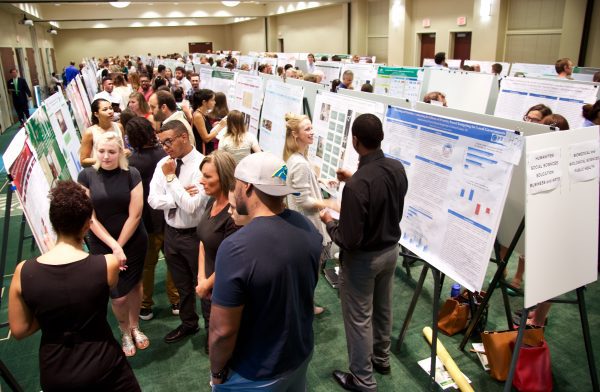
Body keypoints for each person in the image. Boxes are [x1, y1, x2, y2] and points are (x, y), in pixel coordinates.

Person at [8, 181, 141, 391]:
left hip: (56, 370)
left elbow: (20, 329)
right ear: (87, 225)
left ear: (53, 222)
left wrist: (50, 313)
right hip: (105, 365)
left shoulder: (23, 271)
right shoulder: (107, 264)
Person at [209, 152, 322, 389]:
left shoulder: (235, 248)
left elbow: (222, 331)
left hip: (256, 373)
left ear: (247, 186)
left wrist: (217, 373)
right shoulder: (307, 228)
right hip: (300, 355)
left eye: (237, 184)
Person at [320, 114, 408, 391]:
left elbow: (349, 239)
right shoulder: (396, 168)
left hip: (363, 261)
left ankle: (362, 379)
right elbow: (382, 198)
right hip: (391, 252)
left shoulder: (358, 185)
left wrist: (329, 221)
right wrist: (355, 179)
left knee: (359, 319)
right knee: (383, 308)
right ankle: (381, 358)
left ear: (355, 141)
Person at [78, 132, 149, 357]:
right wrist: (114, 247)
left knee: (135, 286)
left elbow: (135, 215)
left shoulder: (132, 174)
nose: (106, 156)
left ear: (120, 152)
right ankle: (124, 330)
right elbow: (90, 218)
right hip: (102, 244)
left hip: (134, 240)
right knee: (117, 295)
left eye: (111, 151)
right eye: (101, 151)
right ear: (94, 152)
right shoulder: (86, 176)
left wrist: (120, 245)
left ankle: (135, 326)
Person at [148, 120, 209, 344]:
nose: (165, 147)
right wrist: (179, 194)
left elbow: (192, 206)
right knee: (182, 285)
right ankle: (189, 324)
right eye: (161, 143)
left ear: (184, 136)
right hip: (171, 233)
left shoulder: (202, 164)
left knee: (202, 287)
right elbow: (153, 200)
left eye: (168, 141)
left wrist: (172, 180)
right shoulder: (164, 163)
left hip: (196, 235)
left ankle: (211, 332)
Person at [283, 113, 339, 314]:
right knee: (308, 273)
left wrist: (319, 181)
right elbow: (304, 201)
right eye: (307, 129)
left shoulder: (295, 159)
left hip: (299, 227)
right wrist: (329, 203)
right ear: (295, 134)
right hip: (307, 227)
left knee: (306, 271)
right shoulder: (299, 163)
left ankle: (303, 304)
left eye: (311, 127)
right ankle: (304, 307)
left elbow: (291, 182)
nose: (312, 132)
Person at [126, 117, 180, 321]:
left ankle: (145, 306)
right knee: (173, 261)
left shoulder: (132, 162)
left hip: (146, 222)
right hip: (169, 215)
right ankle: (176, 301)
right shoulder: (166, 156)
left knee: (147, 266)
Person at [195, 151, 238, 354]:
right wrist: (201, 277)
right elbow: (203, 241)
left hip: (224, 288)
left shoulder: (233, 214)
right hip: (208, 286)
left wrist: (207, 283)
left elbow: (233, 261)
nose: (201, 181)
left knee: (224, 341)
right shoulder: (212, 202)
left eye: (207, 176)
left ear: (224, 177)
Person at [79, 98, 127, 167]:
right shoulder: (90, 132)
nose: (110, 111)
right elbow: (83, 161)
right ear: (96, 114)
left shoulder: (119, 127)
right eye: (105, 109)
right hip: (100, 173)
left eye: (111, 108)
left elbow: (123, 149)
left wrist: (127, 152)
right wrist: (105, 159)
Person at [192, 89, 227, 155]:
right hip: (202, 151)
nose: (215, 102)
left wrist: (213, 126)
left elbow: (204, 130)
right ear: (204, 102)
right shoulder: (198, 116)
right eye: (212, 100)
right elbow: (206, 138)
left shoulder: (202, 114)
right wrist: (220, 126)